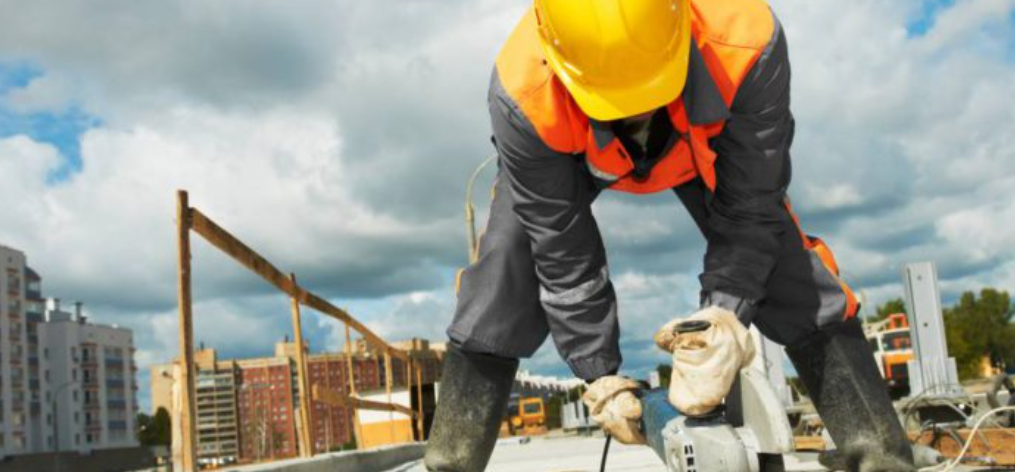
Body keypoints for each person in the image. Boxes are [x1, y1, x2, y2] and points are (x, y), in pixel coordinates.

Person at [424, 0, 916, 471]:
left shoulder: (745, 41)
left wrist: (723, 316)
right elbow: (561, 250)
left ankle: (877, 455)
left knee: (786, 266)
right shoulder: (522, 91)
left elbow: (751, 210)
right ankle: (452, 462)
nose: (634, 116)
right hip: (568, 155)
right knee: (507, 263)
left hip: (703, 146)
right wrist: (600, 375)